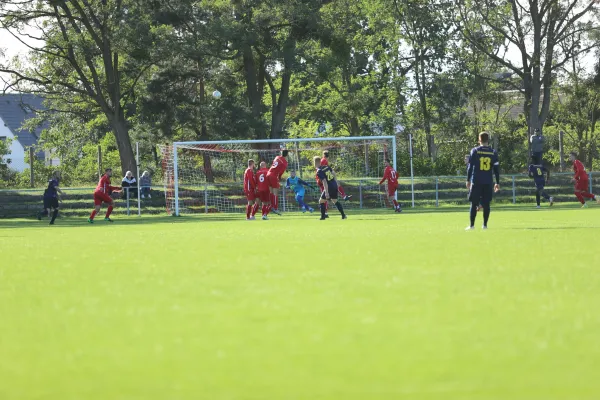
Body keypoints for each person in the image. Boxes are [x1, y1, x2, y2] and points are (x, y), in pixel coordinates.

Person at [466, 132, 500, 230]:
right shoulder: (493, 152)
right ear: (488, 140)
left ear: (479, 140)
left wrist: (468, 180)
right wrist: (497, 182)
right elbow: (496, 170)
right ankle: (485, 225)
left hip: (476, 181)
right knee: (486, 204)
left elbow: (470, 167)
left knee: (473, 203)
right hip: (488, 181)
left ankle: (472, 225)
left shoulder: (475, 151)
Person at [314, 156, 347, 220]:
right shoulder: (326, 167)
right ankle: (343, 215)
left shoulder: (319, 171)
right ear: (320, 161)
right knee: (335, 201)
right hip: (334, 185)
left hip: (329, 187)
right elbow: (334, 173)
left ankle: (323, 217)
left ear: (315, 163)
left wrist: (326, 192)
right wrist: (336, 182)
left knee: (321, 201)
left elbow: (324, 181)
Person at [266, 149, 289, 215]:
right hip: (274, 176)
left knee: (271, 192)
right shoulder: (285, 163)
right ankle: (275, 208)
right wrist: (279, 178)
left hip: (268, 173)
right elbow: (281, 172)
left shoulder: (277, 157)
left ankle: (270, 206)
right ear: (287, 155)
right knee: (275, 192)